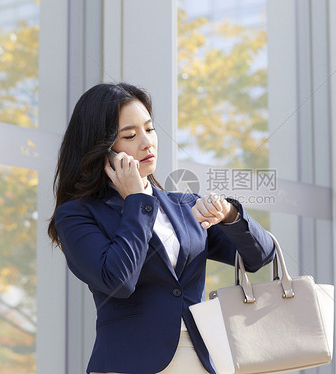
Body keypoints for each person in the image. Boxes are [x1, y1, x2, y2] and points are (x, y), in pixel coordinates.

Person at [47, 82, 275, 374]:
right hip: (128, 364)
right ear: (103, 150)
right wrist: (137, 200)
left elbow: (261, 256)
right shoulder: (77, 215)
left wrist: (230, 214)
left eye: (149, 129)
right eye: (130, 135)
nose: (147, 143)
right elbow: (119, 279)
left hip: (200, 359)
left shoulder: (184, 206)